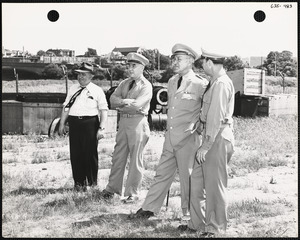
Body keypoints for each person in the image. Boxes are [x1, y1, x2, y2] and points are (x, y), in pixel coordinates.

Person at [130, 43, 208, 219]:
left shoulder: (200, 84)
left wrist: (201, 126)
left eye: (178, 59)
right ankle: (149, 208)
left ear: (190, 61)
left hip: (188, 138)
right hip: (171, 137)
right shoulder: (172, 82)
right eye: (173, 58)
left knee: (188, 178)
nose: (174, 62)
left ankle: (189, 215)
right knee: (162, 173)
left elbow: (207, 108)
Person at [180, 48, 235, 237]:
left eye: (203, 62)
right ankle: (197, 223)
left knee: (214, 185)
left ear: (210, 63)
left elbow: (216, 118)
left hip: (217, 138)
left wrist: (205, 145)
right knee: (196, 180)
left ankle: (215, 227)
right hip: (210, 135)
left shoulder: (221, 84)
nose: (202, 66)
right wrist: (197, 125)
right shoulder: (213, 82)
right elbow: (206, 114)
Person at [101, 52, 152, 203]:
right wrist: (125, 102)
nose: (130, 69)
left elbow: (137, 105)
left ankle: (132, 193)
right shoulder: (124, 83)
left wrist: (122, 104)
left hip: (138, 123)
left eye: (134, 66)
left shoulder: (146, 86)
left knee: (136, 160)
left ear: (142, 67)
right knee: (118, 157)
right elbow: (112, 100)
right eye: (129, 66)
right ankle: (112, 189)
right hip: (123, 123)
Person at [58, 62, 108, 191]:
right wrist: (62, 124)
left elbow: (104, 110)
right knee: (76, 154)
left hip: (90, 124)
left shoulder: (97, 90)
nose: (81, 77)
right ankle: (79, 183)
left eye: (84, 74)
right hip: (74, 124)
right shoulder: (73, 89)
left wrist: (101, 128)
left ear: (91, 76)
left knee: (90, 154)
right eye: (79, 74)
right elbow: (66, 107)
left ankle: (91, 184)